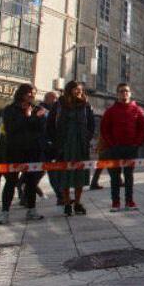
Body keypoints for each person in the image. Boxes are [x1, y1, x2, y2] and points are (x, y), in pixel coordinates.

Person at [0, 84, 46, 224]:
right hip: (14, 151)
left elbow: (39, 128)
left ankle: (31, 210)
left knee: (31, 182)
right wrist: (28, 117)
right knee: (10, 182)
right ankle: (4, 212)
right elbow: (11, 128)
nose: (32, 96)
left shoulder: (38, 109)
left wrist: (31, 118)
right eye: (29, 93)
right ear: (22, 94)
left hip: (31, 151)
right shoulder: (10, 109)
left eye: (34, 93)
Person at [47, 81, 95, 216]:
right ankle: (67, 202)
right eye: (76, 89)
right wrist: (55, 141)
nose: (79, 91)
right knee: (65, 175)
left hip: (80, 145)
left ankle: (78, 202)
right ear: (69, 90)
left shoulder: (86, 106)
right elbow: (50, 124)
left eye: (80, 89)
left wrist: (87, 138)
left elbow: (91, 124)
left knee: (80, 174)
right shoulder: (59, 105)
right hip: (64, 145)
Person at [100, 83, 144, 212]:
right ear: (117, 94)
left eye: (126, 91)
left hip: (131, 148)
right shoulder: (111, 111)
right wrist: (112, 144)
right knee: (115, 177)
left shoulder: (137, 110)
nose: (124, 93)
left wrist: (137, 144)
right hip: (114, 149)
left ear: (130, 93)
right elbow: (104, 129)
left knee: (129, 176)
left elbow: (142, 129)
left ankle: (129, 201)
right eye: (121, 91)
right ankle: (115, 202)